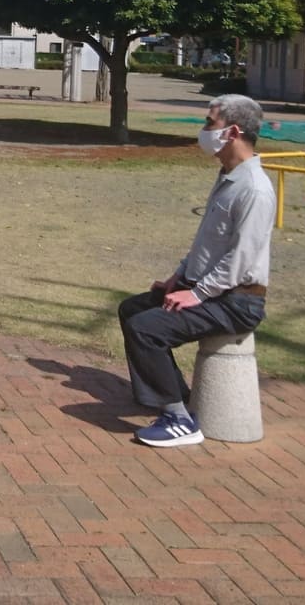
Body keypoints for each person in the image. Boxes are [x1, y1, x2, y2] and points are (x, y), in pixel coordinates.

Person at [117, 94, 272, 448]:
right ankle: (174, 397)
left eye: (209, 122)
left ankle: (178, 421)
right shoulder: (229, 176)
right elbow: (207, 243)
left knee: (147, 328)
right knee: (133, 309)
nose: (204, 130)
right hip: (211, 289)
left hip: (237, 302)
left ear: (232, 131)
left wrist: (197, 294)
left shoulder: (254, 189)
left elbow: (240, 261)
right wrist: (180, 277)